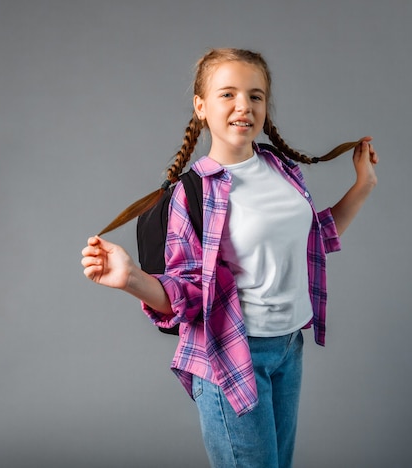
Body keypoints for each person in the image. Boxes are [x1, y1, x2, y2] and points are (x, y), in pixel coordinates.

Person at [81, 48, 378, 467]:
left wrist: (363, 185)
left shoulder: (282, 170)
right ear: (201, 107)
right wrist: (131, 278)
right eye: (228, 94)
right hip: (230, 353)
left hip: (288, 348)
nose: (244, 106)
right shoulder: (193, 193)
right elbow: (186, 294)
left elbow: (314, 240)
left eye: (255, 96)